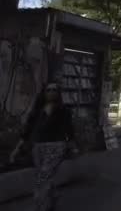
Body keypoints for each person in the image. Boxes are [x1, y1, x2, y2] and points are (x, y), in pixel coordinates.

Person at [10, 83, 77, 211]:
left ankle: (39, 205)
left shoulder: (64, 111)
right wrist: (16, 149)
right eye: (49, 90)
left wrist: (73, 147)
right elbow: (27, 131)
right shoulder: (37, 111)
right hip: (38, 147)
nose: (51, 92)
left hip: (57, 146)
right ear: (44, 93)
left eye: (54, 90)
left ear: (58, 93)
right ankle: (52, 198)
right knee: (44, 176)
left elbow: (70, 130)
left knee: (43, 176)